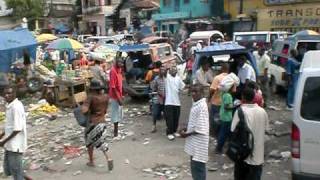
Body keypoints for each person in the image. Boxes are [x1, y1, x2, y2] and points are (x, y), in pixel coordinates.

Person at [232, 88, 269, 180]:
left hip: (243, 156)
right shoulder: (262, 112)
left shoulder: (240, 111)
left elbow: (232, 129)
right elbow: (266, 129)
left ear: (242, 98)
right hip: (257, 157)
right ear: (253, 98)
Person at [0, 86, 32, 180]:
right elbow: (10, 126)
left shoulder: (16, 107)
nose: (7, 96)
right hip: (10, 145)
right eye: (5, 94)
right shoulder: (9, 106)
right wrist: (1, 135)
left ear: (14, 94)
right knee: (9, 169)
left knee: (16, 172)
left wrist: (3, 141)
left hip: (15, 145)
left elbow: (17, 128)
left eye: (9, 93)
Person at [81, 80, 113, 170]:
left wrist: (82, 108)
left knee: (89, 142)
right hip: (102, 122)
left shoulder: (91, 97)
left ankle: (91, 161)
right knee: (101, 142)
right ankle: (108, 157)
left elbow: (84, 110)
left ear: (92, 89)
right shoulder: (106, 97)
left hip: (92, 123)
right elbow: (105, 110)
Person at [180, 84, 209, 180]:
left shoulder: (202, 106)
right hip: (195, 143)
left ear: (202, 93)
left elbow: (200, 127)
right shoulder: (197, 103)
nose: (193, 94)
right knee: (195, 167)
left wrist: (186, 134)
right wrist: (186, 128)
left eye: (196, 91)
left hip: (199, 144)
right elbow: (195, 122)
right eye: (192, 91)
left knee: (198, 168)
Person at [165, 66, 185, 140]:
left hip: (177, 102)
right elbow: (164, 73)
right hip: (169, 102)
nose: (173, 71)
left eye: (175, 70)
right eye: (171, 69)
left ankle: (174, 131)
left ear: (177, 71)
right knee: (170, 119)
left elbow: (183, 87)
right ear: (169, 71)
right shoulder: (167, 77)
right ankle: (169, 133)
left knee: (176, 118)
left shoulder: (178, 78)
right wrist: (166, 68)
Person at [209, 63, 229, 136]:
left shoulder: (217, 78)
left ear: (222, 69)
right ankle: (222, 135)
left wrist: (209, 98)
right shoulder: (231, 78)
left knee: (214, 119)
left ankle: (214, 135)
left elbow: (212, 90)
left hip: (216, 102)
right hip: (226, 103)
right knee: (223, 120)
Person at [215, 83, 234, 154]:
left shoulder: (224, 93)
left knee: (223, 132)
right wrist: (234, 106)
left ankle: (219, 147)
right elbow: (227, 107)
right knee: (223, 133)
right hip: (227, 117)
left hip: (223, 115)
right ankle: (219, 148)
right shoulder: (228, 95)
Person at [109, 58, 124, 139]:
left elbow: (120, 82)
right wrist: (118, 98)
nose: (121, 64)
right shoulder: (113, 71)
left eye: (122, 62)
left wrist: (122, 94)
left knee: (118, 113)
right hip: (115, 96)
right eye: (119, 62)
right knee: (115, 114)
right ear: (116, 62)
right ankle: (115, 133)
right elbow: (113, 87)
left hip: (119, 94)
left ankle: (116, 131)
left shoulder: (119, 70)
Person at [151, 66, 166, 133]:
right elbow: (153, 88)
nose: (163, 71)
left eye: (164, 70)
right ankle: (154, 126)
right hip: (157, 98)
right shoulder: (156, 79)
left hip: (165, 99)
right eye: (161, 70)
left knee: (166, 113)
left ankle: (167, 127)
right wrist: (159, 92)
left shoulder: (166, 78)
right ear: (159, 71)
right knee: (155, 113)